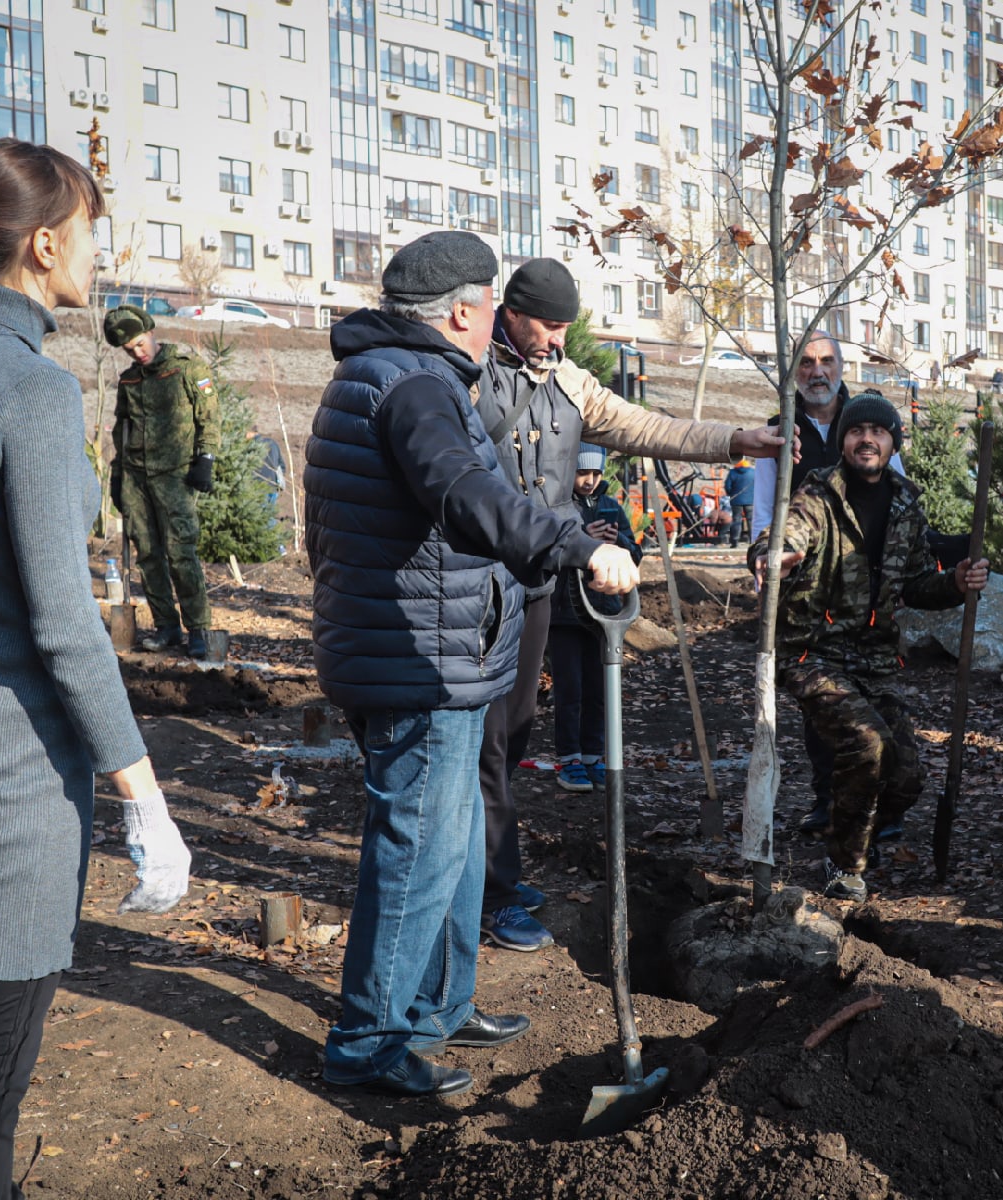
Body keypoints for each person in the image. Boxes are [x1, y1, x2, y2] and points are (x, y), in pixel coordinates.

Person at [0, 138, 191, 1200]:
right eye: (92, 232)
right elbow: (64, 625)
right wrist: (144, 796)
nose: (101, 254)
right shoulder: (33, 391)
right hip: (6, 759)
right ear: (45, 245)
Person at [304, 231, 638, 1099]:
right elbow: (467, 495)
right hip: (419, 661)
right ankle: (369, 1042)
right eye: (492, 303)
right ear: (462, 312)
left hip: (430, 649)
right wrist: (576, 546)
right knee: (417, 850)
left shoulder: (397, 376)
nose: (496, 318)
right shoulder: (413, 388)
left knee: (450, 844)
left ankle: (438, 1009)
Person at [474, 256, 787, 952]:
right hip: (474, 586)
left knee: (515, 731)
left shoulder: (568, 380)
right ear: (511, 314)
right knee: (488, 744)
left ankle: (489, 871)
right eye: (547, 326)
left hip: (537, 582)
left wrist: (735, 441)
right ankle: (491, 893)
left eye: (565, 327)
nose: (557, 340)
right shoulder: (471, 373)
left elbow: (644, 426)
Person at [769, 390, 990, 901]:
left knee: (906, 775)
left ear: (893, 443)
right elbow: (788, 534)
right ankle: (843, 866)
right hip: (813, 653)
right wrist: (777, 553)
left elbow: (916, 583)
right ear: (843, 441)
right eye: (856, 431)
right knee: (868, 745)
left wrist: (956, 581)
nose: (866, 439)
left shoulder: (905, 502)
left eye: (878, 432)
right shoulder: (817, 495)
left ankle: (853, 828)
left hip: (875, 659)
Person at [751, 332, 906, 837]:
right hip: (807, 592)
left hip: (866, 590)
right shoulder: (779, 431)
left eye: (826, 361)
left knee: (871, 700)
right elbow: (764, 513)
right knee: (823, 706)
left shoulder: (869, 423)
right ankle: (828, 800)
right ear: (794, 371)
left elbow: (900, 498)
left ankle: (874, 806)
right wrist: (765, 564)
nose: (817, 371)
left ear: (841, 366)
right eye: (806, 363)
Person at [104, 303, 220, 659]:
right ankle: (166, 627)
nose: (138, 353)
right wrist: (118, 474)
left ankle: (198, 629)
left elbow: (209, 416)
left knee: (180, 551)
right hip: (137, 477)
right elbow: (122, 431)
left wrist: (206, 458)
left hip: (175, 474)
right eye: (129, 350)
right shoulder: (129, 381)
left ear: (151, 333)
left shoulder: (186, 368)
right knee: (148, 554)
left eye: (140, 344)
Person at [549, 444, 642, 793]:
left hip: (604, 612)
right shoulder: (560, 508)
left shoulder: (611, 507)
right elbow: (549, 552)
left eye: (595, 473)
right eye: (582, 473)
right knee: (569, 690)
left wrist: (618, 541)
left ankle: (592, 756)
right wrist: (585, 542)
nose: (589, 480)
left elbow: (635, 553)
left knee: (598, 690)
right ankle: (569, 759)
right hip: (565, 613)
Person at [724, 457, 755, 547]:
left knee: (736, 520)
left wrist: (731, 494)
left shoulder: (733, 472)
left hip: (736, 500)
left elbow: (727, 486)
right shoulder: (753, 472)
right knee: (751, 520)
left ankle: (735, 541)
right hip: (750, 501)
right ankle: (752, 540)